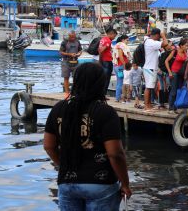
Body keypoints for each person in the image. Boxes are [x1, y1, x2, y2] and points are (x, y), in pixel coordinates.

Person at [43, 63, 131, 210]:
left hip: (67, 183)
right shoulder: (106, 112)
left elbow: (48, 146)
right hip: (101, 184)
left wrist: (64, 166)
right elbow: (115, 154)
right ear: (101, 84)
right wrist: (125, 184)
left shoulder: (58, 109)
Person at [142, 28, 169, 111]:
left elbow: (146, 35)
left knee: (150, 87)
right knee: (148, 87)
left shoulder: (147, 40)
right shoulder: (152, 42)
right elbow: (165, 43)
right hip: (150, 68)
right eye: (159, 36)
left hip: (150, 67)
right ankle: (146, 105)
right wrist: (163, 36)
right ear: (157, 35)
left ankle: (149, 104)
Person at [165, 38, 188, 114]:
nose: (187, 47)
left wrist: (185, 52)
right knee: (174, 91)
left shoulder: (185, 52)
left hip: (181, 74)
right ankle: (170, 108)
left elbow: (187, 61)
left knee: (179, 91)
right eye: (185, 45)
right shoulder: (175, 51)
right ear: (181, 46)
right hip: (174, 72)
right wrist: (170, 72)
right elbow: (166, 61)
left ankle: (175, 107)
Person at [59, 31, 82, 96]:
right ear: (68, 36)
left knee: (76, 77)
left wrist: (78, 54)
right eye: (71, 37)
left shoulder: (77, 42)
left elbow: (80, 50)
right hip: (66, 61)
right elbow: (61, 52)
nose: (73, 38)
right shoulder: (64, 42)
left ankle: (75, 91)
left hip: (75, 61)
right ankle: (67, 92)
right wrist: (70, 54)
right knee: (66, 77)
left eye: (74, 37)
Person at [99, 29, 118, 94]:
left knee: (103, 78)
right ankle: (103, 94)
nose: (114, 38)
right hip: (107, 61)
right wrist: (101, 60)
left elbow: (99, 49)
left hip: (103, 60)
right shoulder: (108, 41)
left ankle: (102, 93)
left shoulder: (103, 39)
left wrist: (100, 60)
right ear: (111, 34)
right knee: (107, 78)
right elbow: (101, 50)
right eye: (114, 36)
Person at [112, 35, 130, 103]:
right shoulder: (121, 46)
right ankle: (117, 98)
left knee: (119, 82)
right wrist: (125, 65)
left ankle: (118, 97)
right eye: (127, 40)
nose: (128, 42)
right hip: (120, 66)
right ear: (123, 40)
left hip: (117, 66)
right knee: (120, 82)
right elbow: (120, 56)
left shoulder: (117, 45)